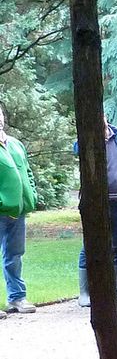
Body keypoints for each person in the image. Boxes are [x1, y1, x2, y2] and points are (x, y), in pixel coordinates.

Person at [76, 116, 117, 307]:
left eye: (102, 115)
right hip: (95, 203)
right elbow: (76, 150)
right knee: (88, 244)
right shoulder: (87, 139)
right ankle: (85, 293)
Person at [0, 102, 37, 317]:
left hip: (18, 211)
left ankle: (17, 298)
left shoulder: (15, 144)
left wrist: (31, 192)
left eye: (1, 114)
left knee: (15, 255)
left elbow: (28, 172)